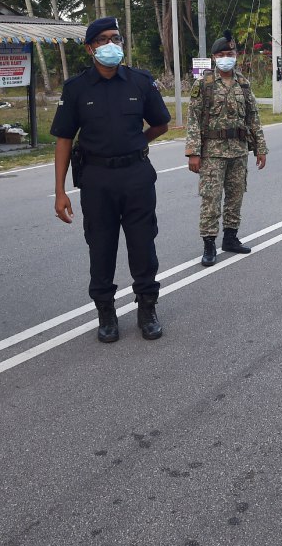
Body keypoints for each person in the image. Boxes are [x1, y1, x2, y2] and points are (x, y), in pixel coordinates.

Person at [52, 17, 171, 344]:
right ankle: (106, 313)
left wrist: (138, 142)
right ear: (90, 48)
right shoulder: (76, 89)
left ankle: (147, 309)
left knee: (143, 246)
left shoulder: (140, 82)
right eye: (103, 40)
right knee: (101, 248)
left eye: (115, 38)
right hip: (96, 179)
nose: (110, 45)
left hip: (136, 177)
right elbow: (64, 138)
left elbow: (161, 123)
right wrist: (60, 190)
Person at [185, 31, 268, 266]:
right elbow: (193, 120)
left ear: (236, 56)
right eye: (221, 54)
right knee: (211, 199)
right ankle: (209, 244)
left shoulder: (243, 83)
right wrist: (193, 152)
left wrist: (260, 148)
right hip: (212, 152)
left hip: (239, 150)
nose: (225, 58)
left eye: (229, 54)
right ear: (213, 58)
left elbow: (253, 117)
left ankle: (230, 238)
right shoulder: (204, 84)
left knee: (235, 196)